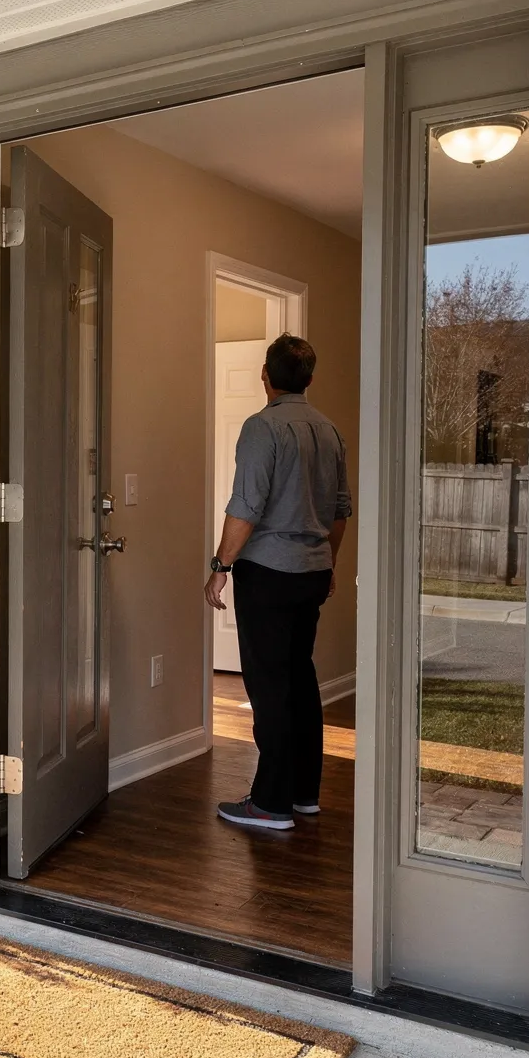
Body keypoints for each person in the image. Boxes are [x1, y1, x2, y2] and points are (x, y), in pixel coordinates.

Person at [203, 333, 351, 830]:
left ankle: (269, 803)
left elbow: (246, 507)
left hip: (267, 573)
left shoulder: (262, 427)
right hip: (311, 573)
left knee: (269, 687)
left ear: (265, 375)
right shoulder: (329, 430)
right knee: (300, 681)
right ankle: (304, 793)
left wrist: (220, 568)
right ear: (309, 378)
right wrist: (327, 562)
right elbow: (339, 511)